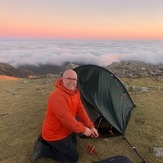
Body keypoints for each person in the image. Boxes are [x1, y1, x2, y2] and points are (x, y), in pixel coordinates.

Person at [31, 69, 99, 163]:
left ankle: (47, 141)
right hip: (55, 133)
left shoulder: (75, 92)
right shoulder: (56, 96)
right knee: (73, 157)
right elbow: (67, 119)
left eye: (74, 79)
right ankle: (44, 150)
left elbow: (81, 111)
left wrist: (91, 126)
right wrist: (84, 130)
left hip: (66, 129)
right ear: (62, 79)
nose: (72, 81)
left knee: (74, 142)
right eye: (69, 78)